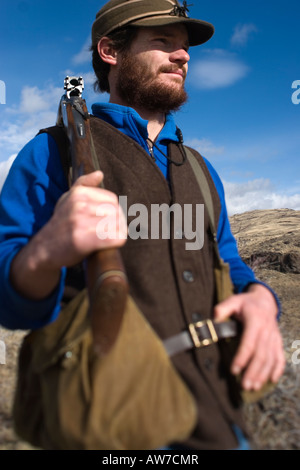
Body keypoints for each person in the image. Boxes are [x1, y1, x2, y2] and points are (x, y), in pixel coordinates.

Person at [0, 0, 285, 450]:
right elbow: (9, 302)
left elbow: (226, 258)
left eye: (186, 47)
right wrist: (44, 253)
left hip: (222, 421)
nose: (183, 56)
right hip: (111, 425)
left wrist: (260, 301)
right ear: (111, 50)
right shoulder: (52, 153)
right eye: (163, 41)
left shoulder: (201, 169)